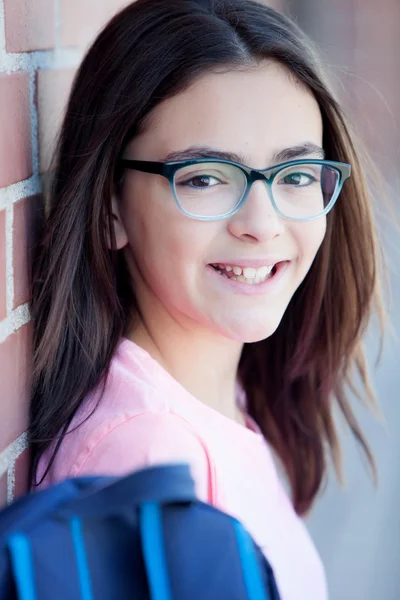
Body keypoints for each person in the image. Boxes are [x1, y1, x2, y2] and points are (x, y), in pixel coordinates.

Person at [29, 1, 384, 598]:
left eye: (295, 175)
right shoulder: (149, 459)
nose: (261, 223)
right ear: (110, 207)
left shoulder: (213, 400)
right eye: (206, 177)